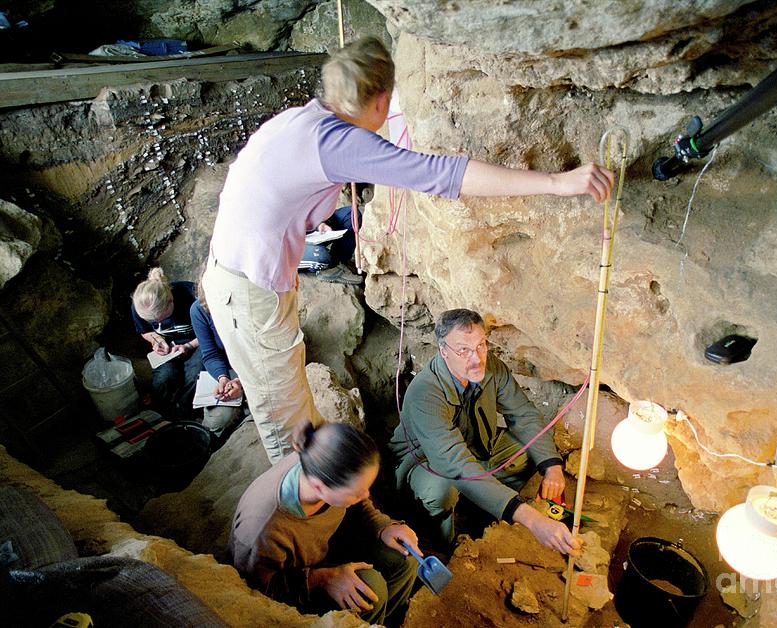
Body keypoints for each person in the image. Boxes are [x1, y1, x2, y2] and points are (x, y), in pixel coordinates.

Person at [202, 36, 615, 464]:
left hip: (238, 275)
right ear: (381, 101)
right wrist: (555, 183)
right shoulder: (337, 142)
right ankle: (302, 517)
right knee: (287, 425)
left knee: (294, 409)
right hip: (249, 292)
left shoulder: (301, 121)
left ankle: (328, 492)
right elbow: (438, 174)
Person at [389, 309, 581, 557]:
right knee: (441, 490)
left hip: (474, 444)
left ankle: (484, 506)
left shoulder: (492, 367)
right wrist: (532, 520)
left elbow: (523, 415)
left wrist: (552, 467)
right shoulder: (425, 394)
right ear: (443, 351)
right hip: (425, 460)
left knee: (527, 453)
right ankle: (445, 543)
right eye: (464, 350)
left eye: (481, 345)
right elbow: (455, 464)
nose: (476, 358)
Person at [229, 421, 419, 626]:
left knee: (405, 555)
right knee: (369, 593)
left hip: (325, 544)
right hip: (293, 581)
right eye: (356, 492)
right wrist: (322, 578)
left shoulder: (322, 465)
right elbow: (258, 590)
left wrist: (383, 526)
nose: (365, 495)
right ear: (320, 488)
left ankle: (385, 620)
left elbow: (358, 499)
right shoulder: (262, 530)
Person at [131, 267, 202, 417]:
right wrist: (157, 340)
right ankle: (160, 415)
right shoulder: (140, 305)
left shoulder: (192, 295)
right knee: (163, 378)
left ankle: (185, 412)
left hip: (198, 342)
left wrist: (189, 345)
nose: (159, 323)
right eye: (154, 321)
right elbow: (145, 331)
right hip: (169, 349)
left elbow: (213, 329)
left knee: (194, 375)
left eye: (162, 318)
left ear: (171, 301)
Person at [189, 281, 243, 437]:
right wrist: (223, 378)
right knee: (217, 421)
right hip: (229, 370)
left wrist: (242, 382)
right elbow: (210, 353)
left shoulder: (249, 303)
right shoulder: (199, 309)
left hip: (257, 368)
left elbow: (264, 352)